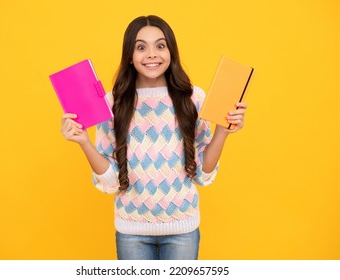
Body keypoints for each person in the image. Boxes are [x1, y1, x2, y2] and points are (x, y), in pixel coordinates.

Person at [61, 15, 248, 260]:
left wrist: (223, 131)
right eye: (141, 47)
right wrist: (84, 142)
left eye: (160, 45)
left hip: (183, 229)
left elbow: (203, 172)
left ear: (171, 51)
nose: (152, 54)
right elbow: (111, 181)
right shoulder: (111, 104)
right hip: (132, 232)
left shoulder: (194, 99)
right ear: (130, 55)